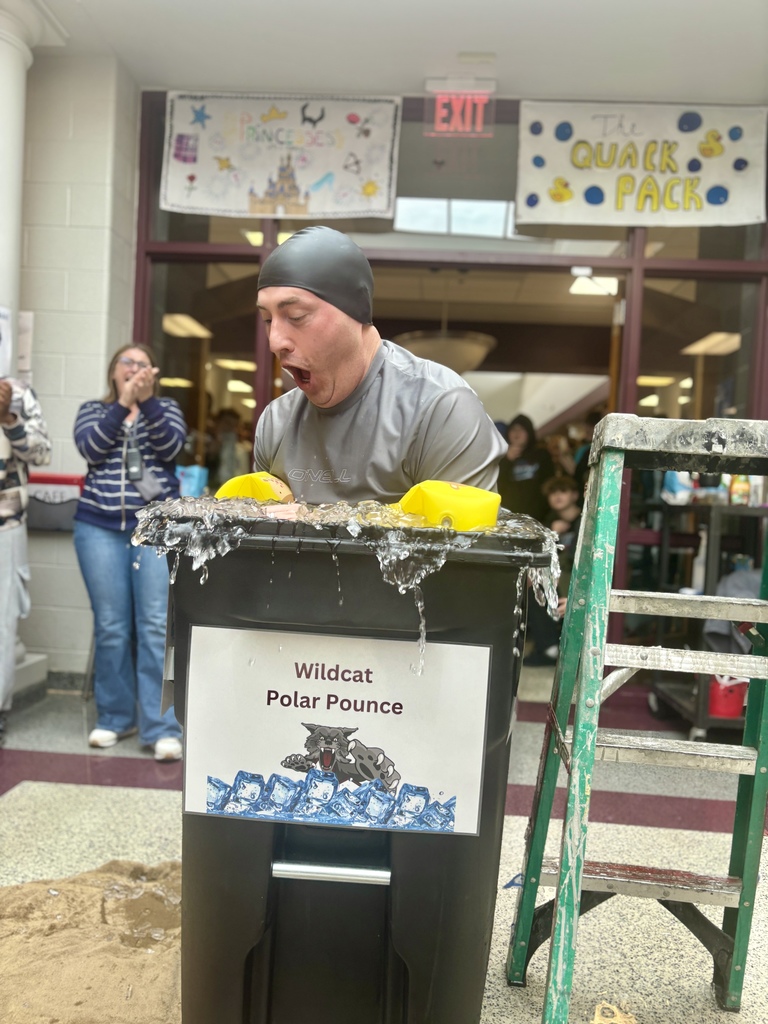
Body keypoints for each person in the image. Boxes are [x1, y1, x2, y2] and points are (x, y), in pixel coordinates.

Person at [253, 226, 507, 503]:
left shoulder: (439, 410)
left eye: (297, 315)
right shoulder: (277, 422)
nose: (275, 342)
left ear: (355, 311)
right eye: (268, 320)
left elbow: (461, 543)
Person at [73, 344, 187, 761]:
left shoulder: (167, 409)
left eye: (143, 365)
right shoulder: (93, 410)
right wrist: (122, 405)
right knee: (112, 625)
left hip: (154, 530)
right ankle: (116, 717)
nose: (135, 370)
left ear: (152, 375)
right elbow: (90, 449)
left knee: (156, 624)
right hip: (98, 529)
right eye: (128, 363)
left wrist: (148, 403)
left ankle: (160, 727)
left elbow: (171, 447)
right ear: (113, 371)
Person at [0, 376, 51, 746]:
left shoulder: (16, 392)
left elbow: (41, 452)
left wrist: (9, 418)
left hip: (5, 525)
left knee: (2, 626)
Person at [525, 474, 583, 666]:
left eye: (563, 491)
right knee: (533, 586)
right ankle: (548, 647)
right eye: (553, 493)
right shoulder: (550, 520)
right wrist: (553, 532)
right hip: (557, 575)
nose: (557, 496)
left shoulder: (585, 520)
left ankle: (552, 648)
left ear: (575, 495)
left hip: (576, 576)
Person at [496, 414, 555, 523]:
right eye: (514, 429)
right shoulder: (500, 458)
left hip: (539, 517)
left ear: (529, 432)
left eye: (522, 429)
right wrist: (507, 460)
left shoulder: (541, 454)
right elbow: (498, 486)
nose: (517, 433)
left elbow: (549, 483)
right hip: (509, 518)